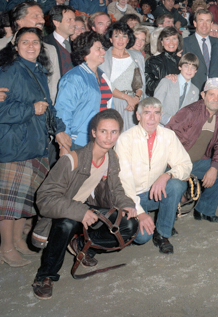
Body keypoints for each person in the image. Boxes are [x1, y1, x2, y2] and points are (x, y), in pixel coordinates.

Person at [31, 109, 138, 300]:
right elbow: (44, 198)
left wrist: (127, 204)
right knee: (67, 223)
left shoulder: (111, 157)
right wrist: (81, 212)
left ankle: (81, 245)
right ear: (94, 133)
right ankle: (45, 275)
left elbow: (116, 189)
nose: (109, 137)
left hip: (88, 207)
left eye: (114, 132)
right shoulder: (72, 160)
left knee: (129, 224)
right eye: (103, 131)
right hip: (62, 211)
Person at [0, 27, 71, 268]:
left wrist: (59, 130)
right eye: (25, 42)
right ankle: (6, 247)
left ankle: (18, 241)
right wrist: (30, 109)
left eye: (35, 42)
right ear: (15, 45)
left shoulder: (38, 71)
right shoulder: (9, 71)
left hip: (35, 142)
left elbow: (48, 107)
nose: (31, 46)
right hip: (14, 145)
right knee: (9, 204)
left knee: (25, 199)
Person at [116, 97, 192, 254]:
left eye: (156, 113)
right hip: (130, 197)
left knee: (177, 185)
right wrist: (140, 213)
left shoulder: (168, 135)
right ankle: (129, 228)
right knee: (143, 237)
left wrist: (166, 176)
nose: (152, 118)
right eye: (147, 113)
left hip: (153, 193)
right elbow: (124, 183)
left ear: (161, 115)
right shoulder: (125, 139)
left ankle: (162, 233)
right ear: (138, 116)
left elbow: (186, 165)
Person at [166, 78, 218, 223]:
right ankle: (167, 222)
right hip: (176, 162)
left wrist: (213, 168)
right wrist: (175, 167)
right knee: (176, 187)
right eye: (212, 94)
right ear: (203, 95)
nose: (216, 99)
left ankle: (205, 210)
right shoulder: (189, 112)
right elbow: (167, 137)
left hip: (197, 161)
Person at [55, 32, 112, 149]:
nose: (103, 52)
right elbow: (63, 111)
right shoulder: (74, 77)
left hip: (101, 139)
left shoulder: (102, 75)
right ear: (85, 53)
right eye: (98, 49)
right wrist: (65, 144)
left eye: (103, 48)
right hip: (79, 141)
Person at [100, 22, 145, 132]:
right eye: (116, 36)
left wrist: (135, 99)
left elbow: (140, 83)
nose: (120, 40)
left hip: (135, 104)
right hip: (114, 103)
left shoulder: (137, 56)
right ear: (110, 39)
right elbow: (105, 85)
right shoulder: (103, 57)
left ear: (128, 39)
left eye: (124, 36)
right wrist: (127, 98)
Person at [154, 52, 200, 125]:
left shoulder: (195, 91)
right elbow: (154, 107)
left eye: (193, 67)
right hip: (161, 127)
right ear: (179, 67)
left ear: (196, 71)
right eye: (186, 66)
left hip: (180, 131)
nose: (189, 70)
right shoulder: (166, 82)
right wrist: (169, 119)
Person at [182, 9, 218, 91]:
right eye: (201, 21)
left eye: (208, 21)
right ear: (195, 23)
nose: (204, 24)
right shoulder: (184, 43)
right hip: (192, 91)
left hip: (215, 91)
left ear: (211, 24)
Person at [145, 26, 182, 97]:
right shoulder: (153, 61)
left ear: (178, 41)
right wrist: (164, 81)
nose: (171, 43)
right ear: (162, 42)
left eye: (174, 38)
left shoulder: (183, 60)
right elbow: (149, 87)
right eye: (167, 39)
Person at [43, 5, 76, 77]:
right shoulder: (44, 44)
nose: (74, 23)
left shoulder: (76, 45)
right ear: (56, 22)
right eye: (69, 20)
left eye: (74, 19)